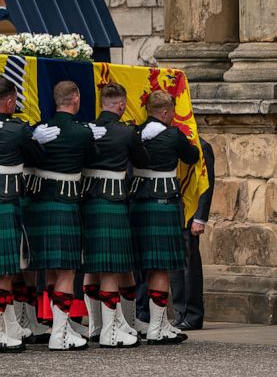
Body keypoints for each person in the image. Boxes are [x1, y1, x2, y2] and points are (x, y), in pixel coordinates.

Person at [26, 80, 102, 351]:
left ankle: (60, 326)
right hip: (66, 202)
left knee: (50, 267)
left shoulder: (39, 130)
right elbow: (93, 159)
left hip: (39, 203)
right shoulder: (82, 133)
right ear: (76, 99)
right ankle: (60, 333)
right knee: (67, 269)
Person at [81, 82, 149, 348]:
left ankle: (95, 326)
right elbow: (143, 162)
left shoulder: (87, 130)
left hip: (87, 200)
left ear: (101, 104)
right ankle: (111, 329)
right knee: (111, 265)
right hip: (113, 200)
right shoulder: (126, 132)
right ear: (121, 105)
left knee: (92, 263)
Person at [129, 90, 199, 344]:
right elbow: (192, 157)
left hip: (137, 202)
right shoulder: (173, 135)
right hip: (163, 202)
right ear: (167, 112)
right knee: (160, 266)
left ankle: (139, 321)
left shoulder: (134, 133)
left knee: (139, 264)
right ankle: (158, 327)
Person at [0, 76, 60, 352]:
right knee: (4, 273)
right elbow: (37, 157)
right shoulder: (17, 129)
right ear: (10, 101)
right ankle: (5, 331)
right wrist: (33, 137)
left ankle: (10, 327)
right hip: (6, 203)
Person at [171, 137, 215, 330]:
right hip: (174, 211)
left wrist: (200, 217)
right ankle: (180, 312)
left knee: (190, 266)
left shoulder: (202, 146)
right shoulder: (173, 141)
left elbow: (206, 184)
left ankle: (193, 314)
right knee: (175, 267)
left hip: (191, 213)